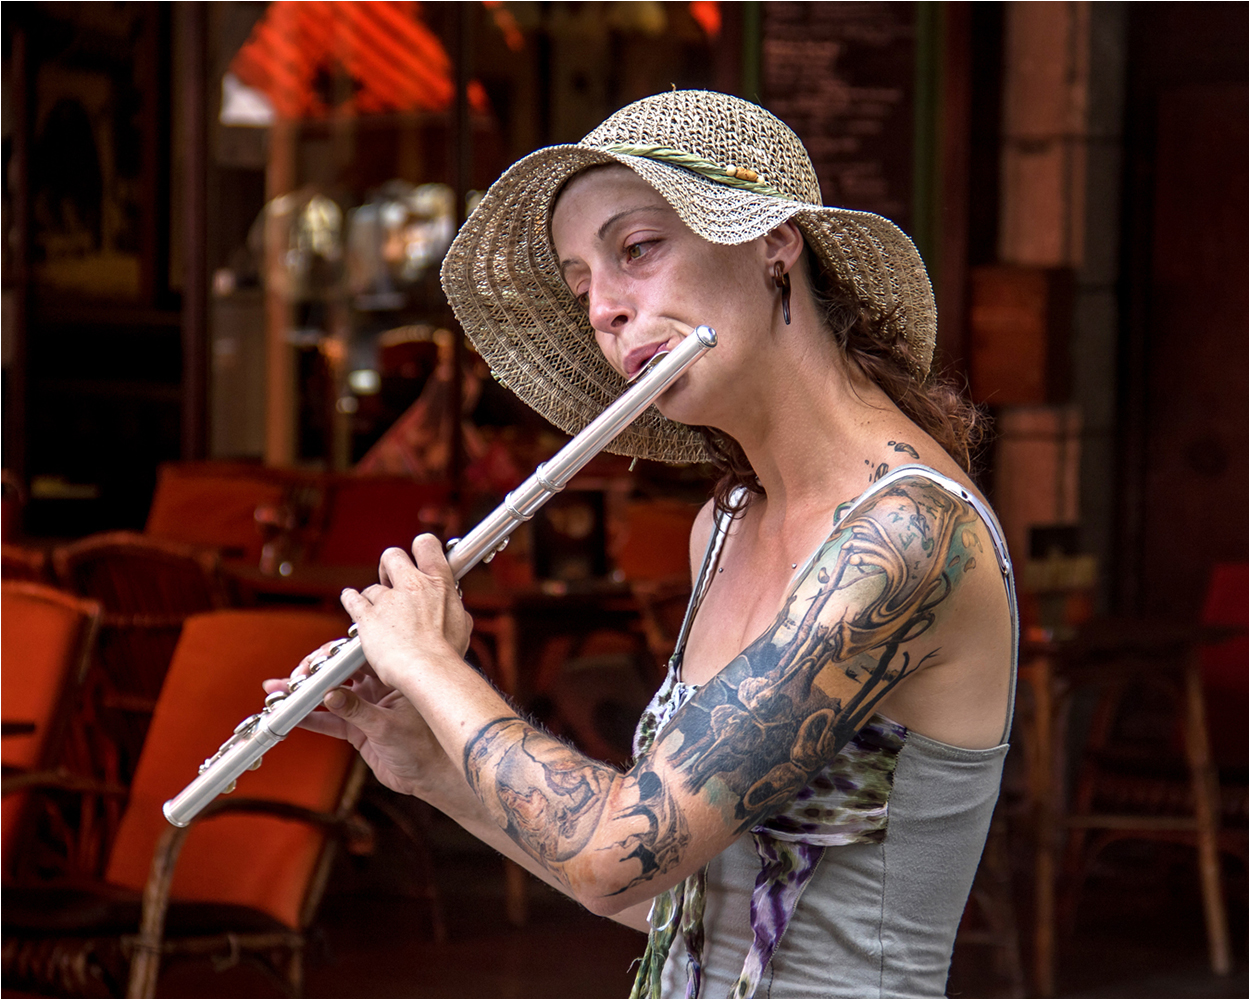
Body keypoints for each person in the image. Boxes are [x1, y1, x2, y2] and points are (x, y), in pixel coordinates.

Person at [275, 90, 1018, 998]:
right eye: (582, 285)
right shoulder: (727, 524)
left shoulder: (907, 536)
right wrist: (434, 768)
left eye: (636, 250)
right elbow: (674, 893)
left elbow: (614, 854)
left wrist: (432, 667)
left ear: (772, 242)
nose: (604, 308)